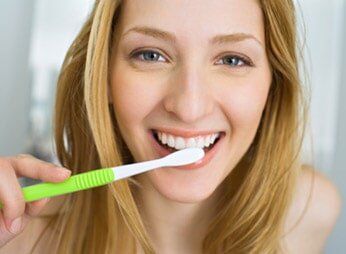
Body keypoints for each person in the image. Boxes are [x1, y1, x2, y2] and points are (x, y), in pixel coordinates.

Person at [0, 0, 342, 253]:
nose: (189, 108)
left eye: (232, 60)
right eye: (151, 55)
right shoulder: (23, 241)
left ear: (273, 85)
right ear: (103, 76)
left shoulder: (311, 210)